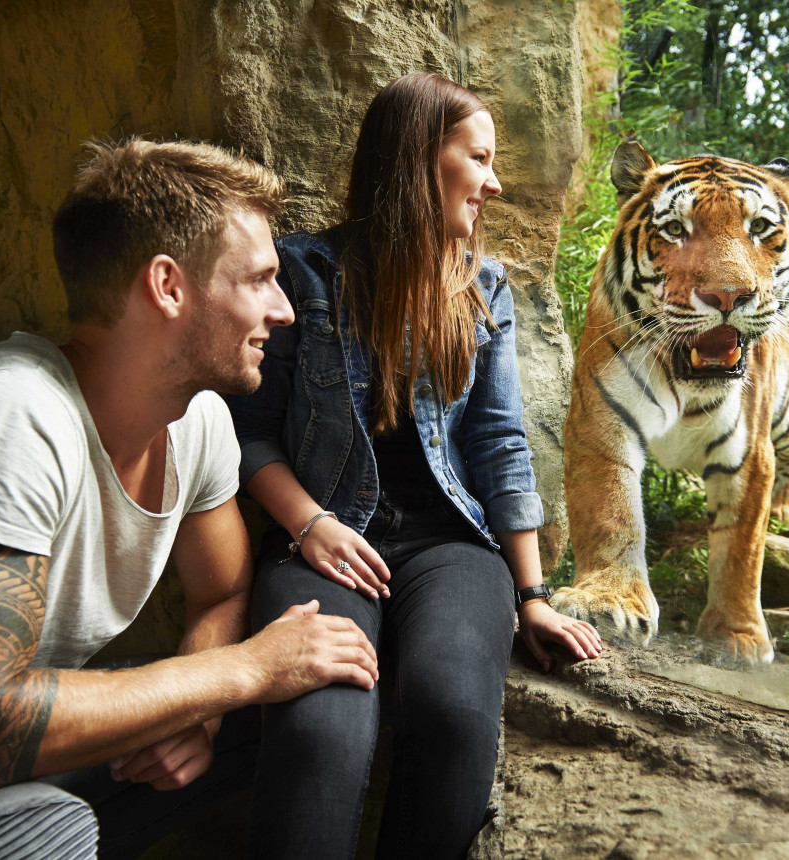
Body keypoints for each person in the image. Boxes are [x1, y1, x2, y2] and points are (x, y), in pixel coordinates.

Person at [0, 138, 378, 858]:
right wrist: (238, 672)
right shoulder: (6, 418)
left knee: (293, 706)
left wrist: (208, 713)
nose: (284, 310)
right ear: (167, 286)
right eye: (260, 279)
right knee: (43, 834)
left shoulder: (200, 421)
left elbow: (220, 595)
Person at [226, 72, 603, 859]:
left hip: (451, 546)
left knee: (452, 711)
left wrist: (533, 595)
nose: (494, 183)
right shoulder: (304, 273)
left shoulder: (484, 287)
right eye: (480, 158)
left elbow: (500, 443)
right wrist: (311, 522)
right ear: (418, 160)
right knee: (320, 724)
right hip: (323, 537)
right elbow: (247, 432)